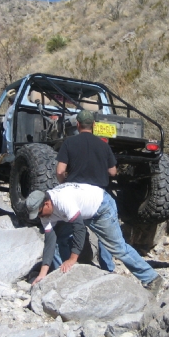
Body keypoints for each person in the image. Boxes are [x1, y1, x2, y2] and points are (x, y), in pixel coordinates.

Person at [27, 183, 164, 295]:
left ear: (47, 204)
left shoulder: (62, 200)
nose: (40, 217)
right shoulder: (45, 214)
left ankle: (152, 278)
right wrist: (42, 274)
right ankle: (61, 281)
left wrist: (73, 259)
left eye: (39, 213)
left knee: (117, 248)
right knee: (58, 241)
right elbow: (50, 241)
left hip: (101, 207)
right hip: (84, 213)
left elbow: (79, 229)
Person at [54, 109, 116, 272]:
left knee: (65, 234)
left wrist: (63, 185)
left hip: (76, 196)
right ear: (94, 125)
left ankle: (64, 269)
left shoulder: (69, 143)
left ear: (78, 124)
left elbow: (60, 171)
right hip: (97, 198)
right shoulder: (103, 145)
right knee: (105, 236)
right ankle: (107, 269)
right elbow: (113, 172)